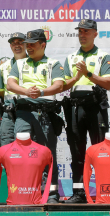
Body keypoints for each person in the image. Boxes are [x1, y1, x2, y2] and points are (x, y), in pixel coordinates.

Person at [7, 29, 65, 203]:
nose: (29, 47)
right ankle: (24, 192)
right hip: (23, 112)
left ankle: (51, 194)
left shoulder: (53, 63)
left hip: (45, 112)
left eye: (32, 44)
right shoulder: (19, 64)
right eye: (27, 44)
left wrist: (40, 92)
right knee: (20, 151)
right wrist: (26, 91)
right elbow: (10, 84)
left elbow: (59, 85)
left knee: (47, 153)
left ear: (43, 44)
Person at [62, 19, 110, 203]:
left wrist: (88, 75)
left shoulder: (104, 56)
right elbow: (62, 85)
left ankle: (102, 191)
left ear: (95, 34)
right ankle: (79, 193)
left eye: (86, 31)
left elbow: (108, 83)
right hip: (76, 107)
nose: (82, 35)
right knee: (76, 151)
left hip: (96, 106)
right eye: (80, 31)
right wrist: (77, 77)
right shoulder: (71, 57)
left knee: (101, 151)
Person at [0, 32, 27, 146]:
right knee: (6, 142)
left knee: (25, 143)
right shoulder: (3, 67)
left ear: (26, 44)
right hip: (8, 111)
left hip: (27, 108)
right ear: (10, 46)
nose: (17, 45)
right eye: (13, 43)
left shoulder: (34, 63)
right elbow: (0, 92)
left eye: (20, 42)